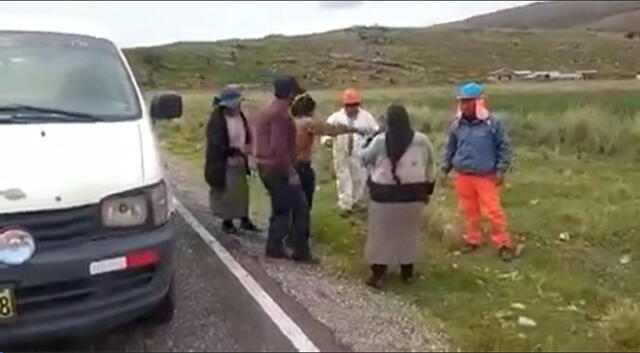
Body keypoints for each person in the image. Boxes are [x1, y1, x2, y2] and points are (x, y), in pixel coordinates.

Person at [359, 105, 436, 290]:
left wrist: (366, 141)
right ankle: (407, 273)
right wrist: (427, 190)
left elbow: (364, 159)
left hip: (384, 196)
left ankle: (378, 274)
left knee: (381, 234)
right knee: (407, 234)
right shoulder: (422, 140)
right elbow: (430, 163)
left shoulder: (380, 141)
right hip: (413, 195)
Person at [442, 82, 516, 262]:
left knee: (492, 211)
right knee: (468, 210)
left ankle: (503, 244)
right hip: (463, 175)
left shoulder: (492, 124)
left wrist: (500, 170)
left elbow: (504, 148)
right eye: (462, 102)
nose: (464, 105)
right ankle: (472, 239)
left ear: (478, 102)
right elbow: (450, 146)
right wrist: (445, 166)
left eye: (468, 102)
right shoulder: (457, 125)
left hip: (486, 176)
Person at [253, 75, 316, 263]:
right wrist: (291, 173)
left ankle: (275, 247)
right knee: (300, 207)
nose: (295, 98)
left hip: (265, 166)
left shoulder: (268, 111)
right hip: (277, 168)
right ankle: (299, 251)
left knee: (280, 208)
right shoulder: (280, 115)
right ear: (289, 93)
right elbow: (279, 147)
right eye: (294, 93)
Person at [291, 93, 362, 210]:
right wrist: (354, 129)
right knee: (304, 202)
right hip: (302, 165)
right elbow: (330, 129)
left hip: (289, 164)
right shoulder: (307, 123)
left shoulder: (291, 121)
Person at [204, 84, 259, 234]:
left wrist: (247, 149)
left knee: (241, 192)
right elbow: (217, 144)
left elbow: (245, 135)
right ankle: (227, 221)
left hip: (239, 161)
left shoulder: (240, 116)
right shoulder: (217, 121)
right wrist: (235, 150)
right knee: (228, 192)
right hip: (224, 163)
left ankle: (244, 218)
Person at [321, 89, 379, 214]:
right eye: (349, 105)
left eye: (354, 105)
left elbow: (375, 132)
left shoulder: (366, 117)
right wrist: (327, 141)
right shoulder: (335, 118)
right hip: (341, 149)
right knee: (343, 176)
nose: (352, 108)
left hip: (360, 151)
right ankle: (345, 205)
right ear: (344, 105)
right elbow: (325, 134)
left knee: (359, 176)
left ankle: (357, 202)